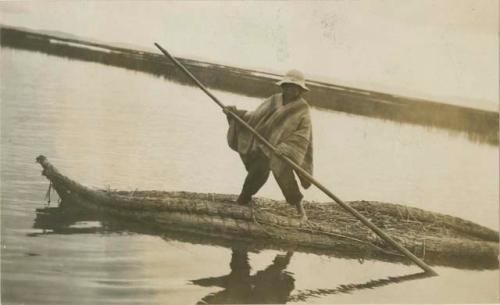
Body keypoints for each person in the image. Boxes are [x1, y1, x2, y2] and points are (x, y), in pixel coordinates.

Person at [224, 69, 313, 221]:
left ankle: (301, 211)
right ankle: (243, 200)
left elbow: (303, 135)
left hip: (283, 151)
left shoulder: (302, 109)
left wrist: (285, 148)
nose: (290, 89)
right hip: (264, 146)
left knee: (286, 179)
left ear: (300, 90)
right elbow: (255, 116)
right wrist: (235, 113)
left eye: (294, 87)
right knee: (258, 171)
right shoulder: (274, 100)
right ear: (283, 86)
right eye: (288, 86)